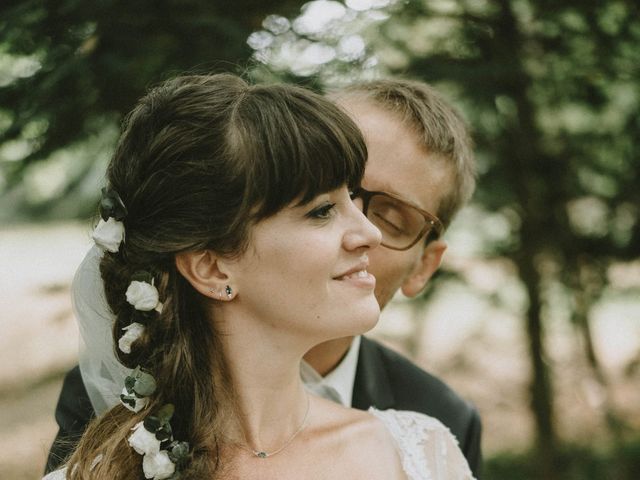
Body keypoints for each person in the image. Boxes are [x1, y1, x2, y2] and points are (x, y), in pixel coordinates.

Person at [44, 73, 474, 479]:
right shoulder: (102, 453)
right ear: (212, 267)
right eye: (323, 209)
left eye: (393, 219)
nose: (369, 232)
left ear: (425, 265)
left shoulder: (423, 450)